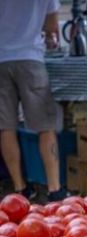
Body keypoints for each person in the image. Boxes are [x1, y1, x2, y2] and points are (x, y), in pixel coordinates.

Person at [0, 0, 66, 202]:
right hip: (31, 59)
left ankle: (20, 189)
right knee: (45, 127)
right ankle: (54, 189)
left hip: (1, 60)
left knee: (6, 127)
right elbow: (51, 25)